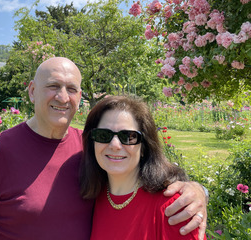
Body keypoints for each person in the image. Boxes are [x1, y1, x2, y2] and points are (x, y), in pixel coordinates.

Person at [0, 57, 207, 240]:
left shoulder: (92, 147)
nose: (62, 97)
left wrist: (197, 190)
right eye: (53, 86)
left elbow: (142, 171)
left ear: (80, 97)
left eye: (71, 89)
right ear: (32, 91)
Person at [80, 95, 207, 239]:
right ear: (93, 143)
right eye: (103, 135)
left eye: (128, 136)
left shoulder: (173, 208)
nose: (114, 145)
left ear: (144, 147)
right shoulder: (94, 198)